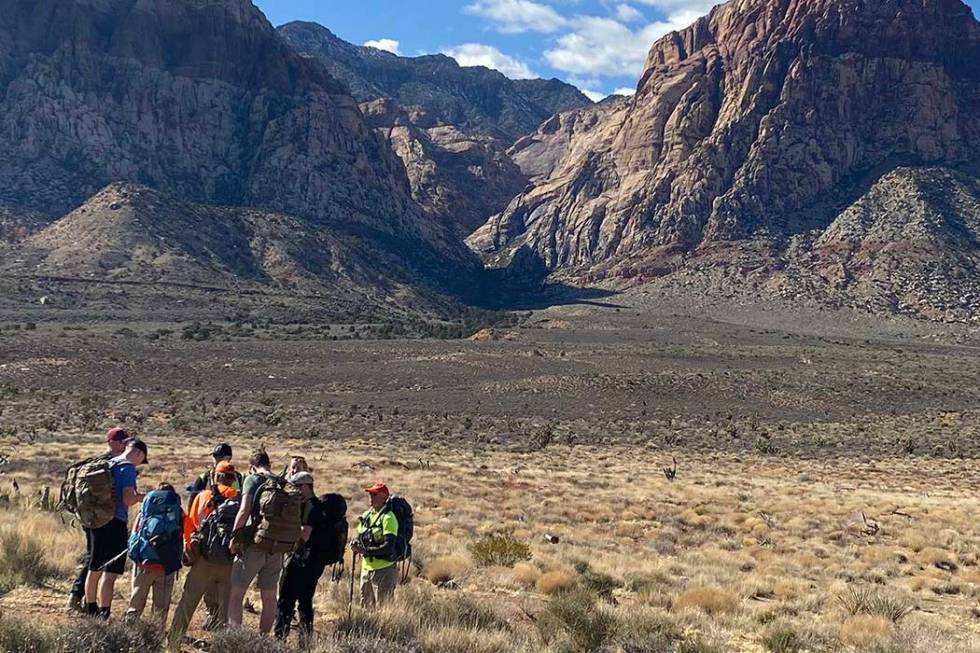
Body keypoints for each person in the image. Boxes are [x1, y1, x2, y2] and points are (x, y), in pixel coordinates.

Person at [167, 462, 241, 651]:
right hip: (228, 561)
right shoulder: (238, 498)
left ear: (216, 477)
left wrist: (192, 550)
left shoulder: (202, 496)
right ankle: (223, 647)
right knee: (225, 608)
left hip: (203, 559)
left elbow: (190, 525)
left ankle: (173, 644)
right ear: (233, 480)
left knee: (188, 602)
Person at [67, 426, 131, 613]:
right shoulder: (114, 464)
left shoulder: (100, 462)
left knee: (93, 558)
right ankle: (84, 601)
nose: (125, 444)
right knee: (97, 561)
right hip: (104, 519)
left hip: (90, 517)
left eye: (126, 441)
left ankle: (82, 598)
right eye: (122, 441)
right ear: (111, 442)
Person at [85, 438, 148, 619]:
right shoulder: (127, 468)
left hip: (96, 519)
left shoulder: (108, 463)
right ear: (138, 453)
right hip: (115, 521)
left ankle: (91, 608)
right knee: (110, 571)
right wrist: (146, 497)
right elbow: (128, 499)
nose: (139, 463)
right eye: (141, 459)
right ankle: (104, 612)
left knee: (94, 566)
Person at [227, 450, 281, 634]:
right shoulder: (281, 481)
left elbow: (243, 511)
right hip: (277, 547)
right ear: (269, 464)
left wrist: (234, 538)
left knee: (236, 594)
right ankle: (263, 640)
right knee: (269, 597)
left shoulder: (253, 479)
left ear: (251, 467)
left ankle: (235, 640)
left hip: (254, 545)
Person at [273, 472, 322, 643]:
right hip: (315, 563)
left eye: (296, 487)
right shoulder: (317, 505)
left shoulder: (310, 507)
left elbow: (305, 534)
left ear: (305, 486)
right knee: (305, 601)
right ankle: (305, 641)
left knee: (286, 600)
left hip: (301, 561)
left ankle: (280, 639)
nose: (294, 491)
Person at [125, 482, 182, 627]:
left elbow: (134, 535)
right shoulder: (178, 513)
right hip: (166, 565)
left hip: (144, 563)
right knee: (160, 608)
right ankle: (157, 635)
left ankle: (130, 630)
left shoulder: (144, 513)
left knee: (136, 601)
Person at [352, 483, 399, 610]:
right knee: (366, 607)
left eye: (374, 494)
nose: (370, 497)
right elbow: (361, 535)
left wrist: (365, 551)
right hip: (366, 569)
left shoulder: (389, 518)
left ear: (384, 497)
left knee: (384, 609)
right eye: (370, 494)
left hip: (384, 570)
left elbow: (389, 547)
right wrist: (356, 542)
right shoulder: (367, 515)